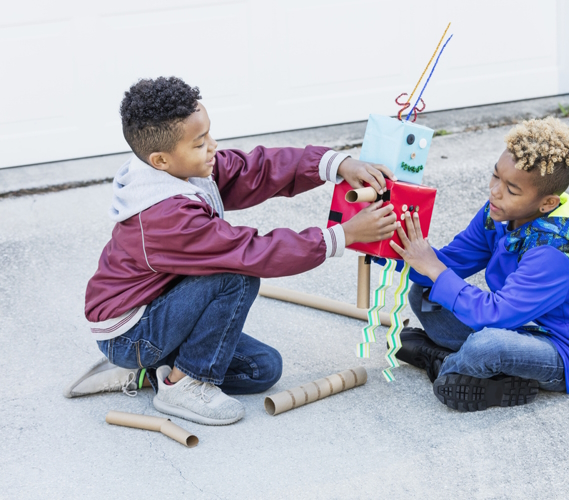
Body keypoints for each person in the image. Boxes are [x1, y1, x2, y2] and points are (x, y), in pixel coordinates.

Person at [65, 76, 400, 425]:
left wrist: (335, 164)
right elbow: (251, 252)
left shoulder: (180, 170)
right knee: (236, 278)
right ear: (160, 159)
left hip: (160, 309)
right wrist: (340, 236)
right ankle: (183, 385)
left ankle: (151, 374)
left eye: (208, 134)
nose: (212, 146)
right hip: (131, 332)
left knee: (262, 369)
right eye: (199, 143)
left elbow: (253, 169)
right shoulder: (165, 217)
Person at [389, 117, 569, 412]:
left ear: (547, 203)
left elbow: (496, 316)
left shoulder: (555, 252)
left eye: (512, 189)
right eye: (496, 176)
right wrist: (390, 245)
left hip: (562, 354)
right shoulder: (499, 214)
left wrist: (433, 267)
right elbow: (451, 262)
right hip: (517, 328)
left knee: (487, 345)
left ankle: (443, 362)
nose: (495, 191)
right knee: (424, 293)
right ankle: (465, 365)